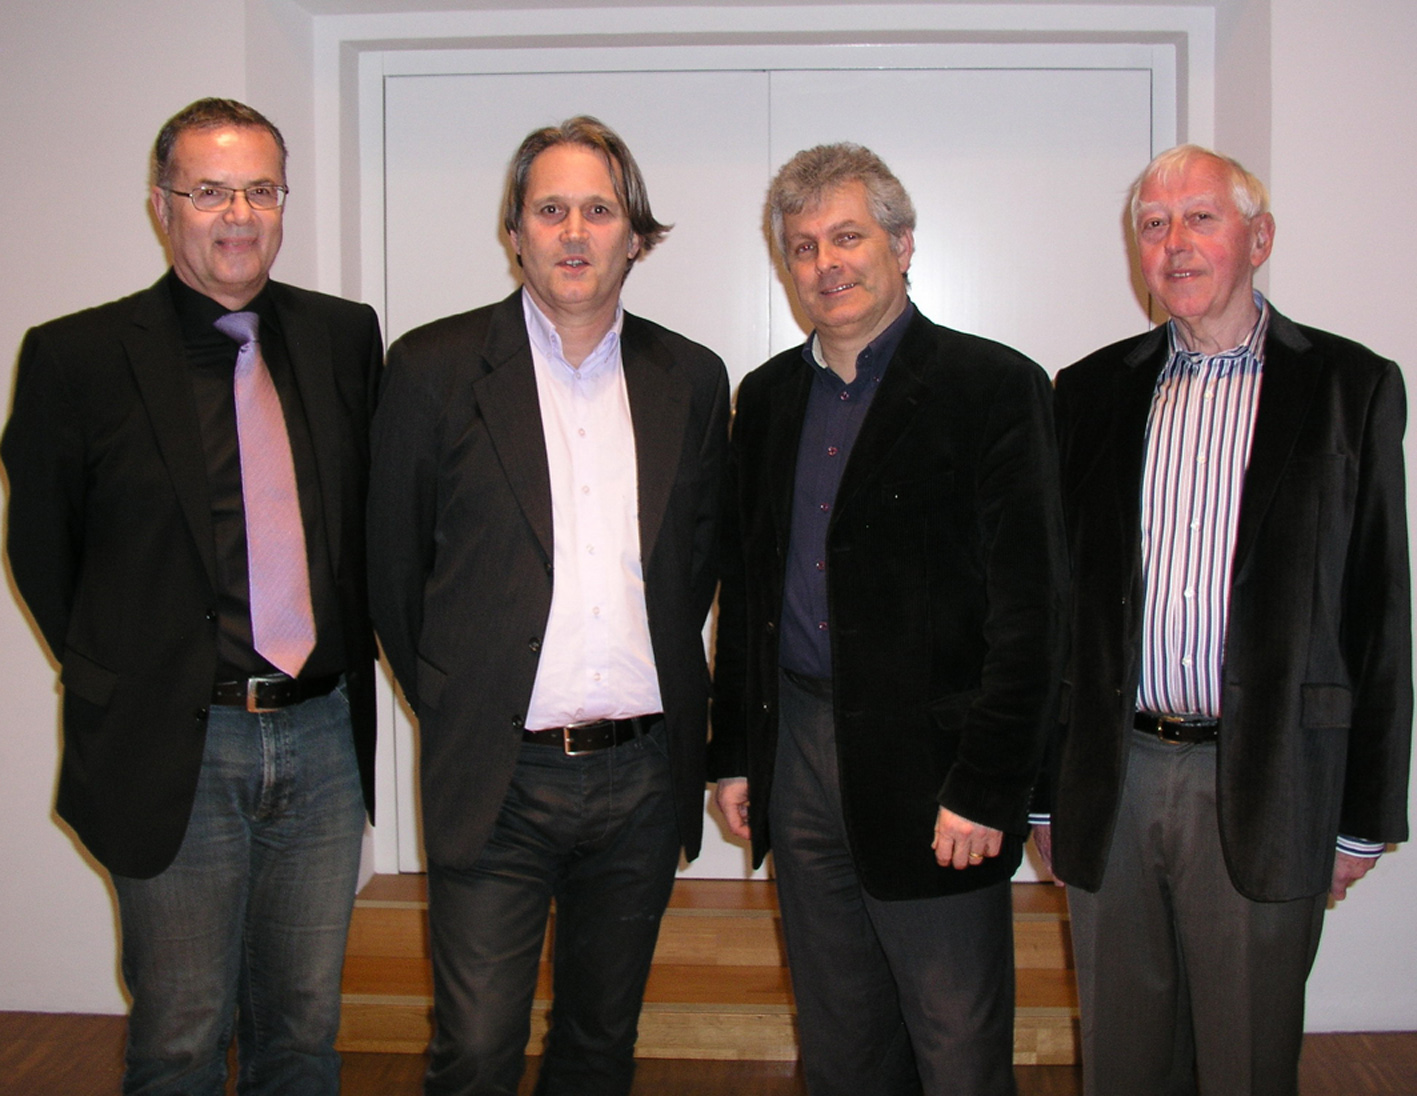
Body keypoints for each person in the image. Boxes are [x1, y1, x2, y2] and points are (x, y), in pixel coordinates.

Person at [1, 98, 383, 1095]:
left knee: (303, 1025)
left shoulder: (344, 337)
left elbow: (366, 521)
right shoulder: (76, 358)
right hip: (176, 742)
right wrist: (133, 672)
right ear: (161, 204)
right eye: (210, 190)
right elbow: (43, 551)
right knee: (180, 1030)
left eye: (261, 189)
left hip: (323, 732)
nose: (238, 214)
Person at [1033, 144, 1412, 1096]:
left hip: (1271, 777)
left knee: (1245, 1061)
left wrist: (1365, 818)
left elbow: (1378, 609)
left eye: (1200, 218)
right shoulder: (1086, 392)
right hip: (1113, 775)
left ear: (1259, 237)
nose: (1174, 244)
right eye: (1152, 225)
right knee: (1121, 1060)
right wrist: (1042, 793)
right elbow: (1054, 610)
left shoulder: (1349, 386)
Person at [367, 115, 729, 1096]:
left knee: (599, 1046)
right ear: (514, 231)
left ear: (635, 237)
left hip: (642, 777)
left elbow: (696, 565)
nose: (574, 232)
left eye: (599, 211)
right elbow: (393, 572)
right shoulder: (432, 369)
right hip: (499, 778)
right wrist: (462, 698)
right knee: (476, 1051)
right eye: (550, 209)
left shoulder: (691, 378)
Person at [709, 143, 1067, 1096]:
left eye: (847, 237)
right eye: (802, 247)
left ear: (902, 245)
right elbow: (748, 592)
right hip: (798, 753)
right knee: (839, 1039)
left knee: (955, 1044)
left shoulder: (992, 387)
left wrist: (988, 784)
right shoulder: (767, 398)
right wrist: (736, 751)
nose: (825, 263)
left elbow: (1033, 614)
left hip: (936, 769)